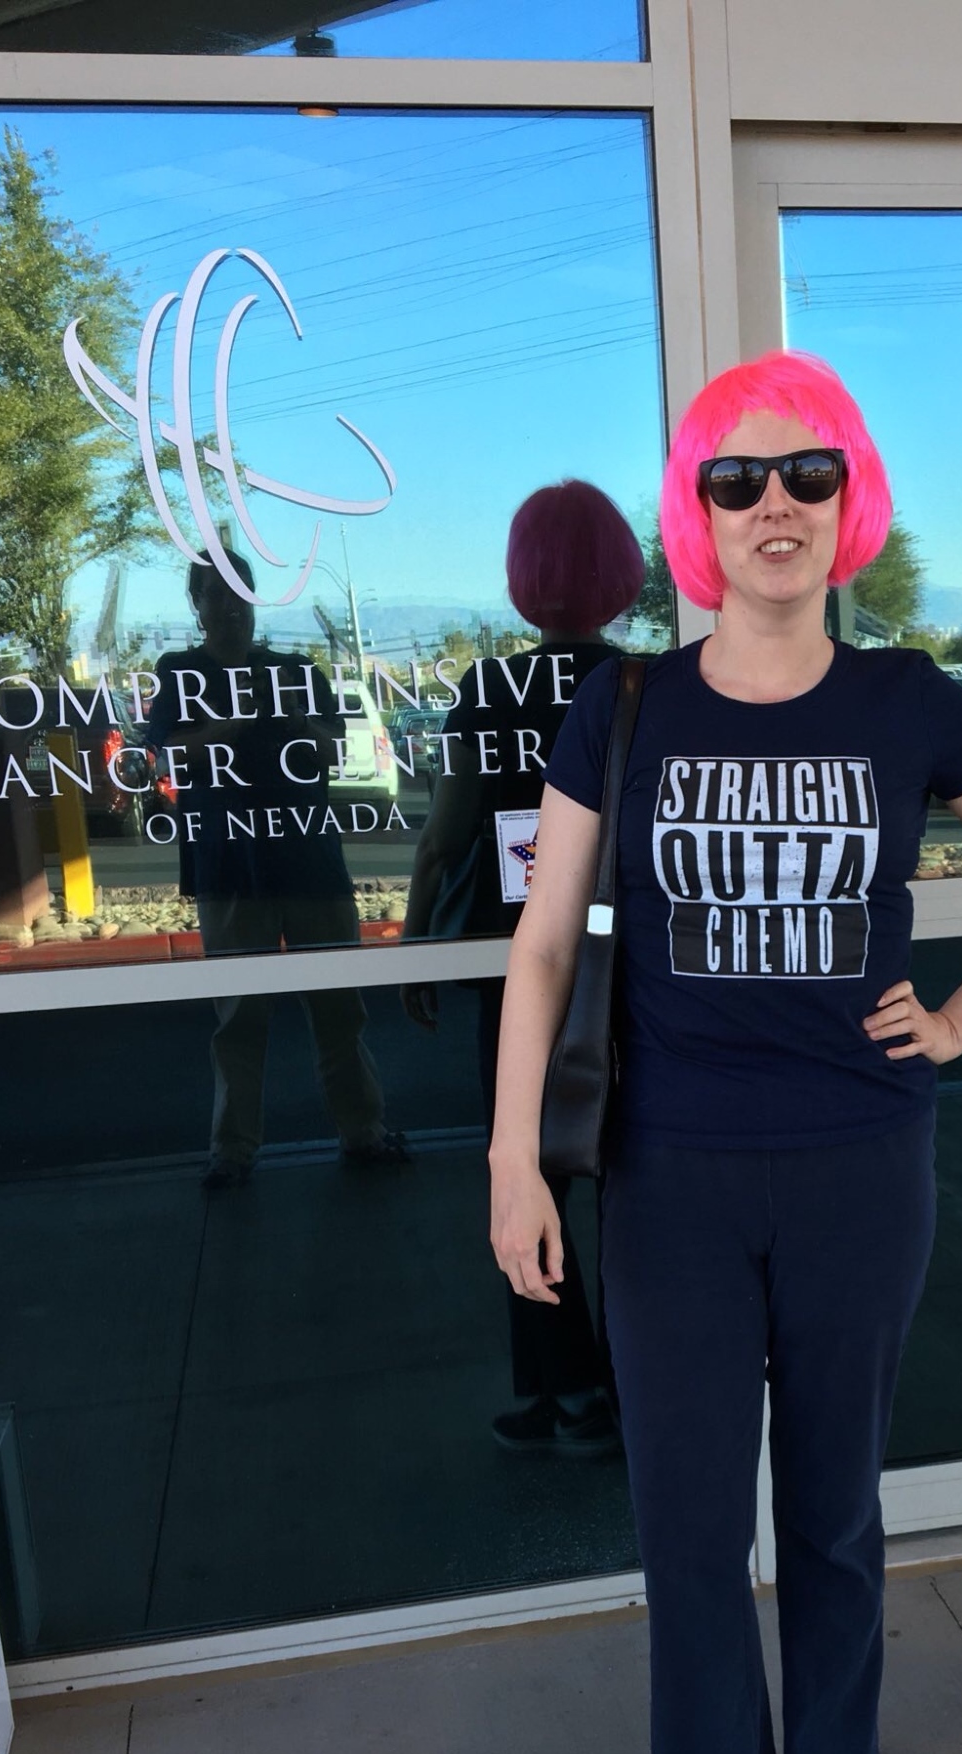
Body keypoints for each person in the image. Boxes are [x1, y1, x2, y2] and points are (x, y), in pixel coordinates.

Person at [488, 351, 962, 1754]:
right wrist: (511, 1161)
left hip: (857, 1166)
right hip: (671, 1177)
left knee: (833, 1511)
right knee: (688, 1525)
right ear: (697, 515)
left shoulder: (903, 700)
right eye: (736, 480)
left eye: (807, 474)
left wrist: (956, 1021)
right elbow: (544, 946)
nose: (774, 504)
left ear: (850, 501)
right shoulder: (625, 704)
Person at [403, 481, 645, 1455]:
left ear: (522, 576)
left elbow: (444, 836)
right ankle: (598, 1389)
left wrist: (418, 943)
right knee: (629, 1182)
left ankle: (568, 1388)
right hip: (629, 969)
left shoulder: (491, 690)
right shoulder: (645, 684)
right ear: (620, 571)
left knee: (525, 1179)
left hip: (518, 972)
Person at [145, 551, 409, 1190]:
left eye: (238, 591)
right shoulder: (179, 672)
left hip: (309, 858)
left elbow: (331, 748)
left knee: (339, 1008)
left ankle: (363, 1132)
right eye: (215, 594)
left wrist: (285, 712)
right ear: (196, 604)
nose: (228, 606)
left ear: (255, 598)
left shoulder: (296, 670)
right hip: (229, 862)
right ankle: (232, 1151)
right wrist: (242, 718)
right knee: (239, 1018)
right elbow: (167, 755)